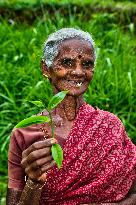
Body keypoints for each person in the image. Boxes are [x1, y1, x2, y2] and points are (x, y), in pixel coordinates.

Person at [6, 28, 136, 205]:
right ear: (46, 68)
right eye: (67, 63)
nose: (78, 72)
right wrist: (34, 182)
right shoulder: (25, 133)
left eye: (87, 64)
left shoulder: (110, 125)